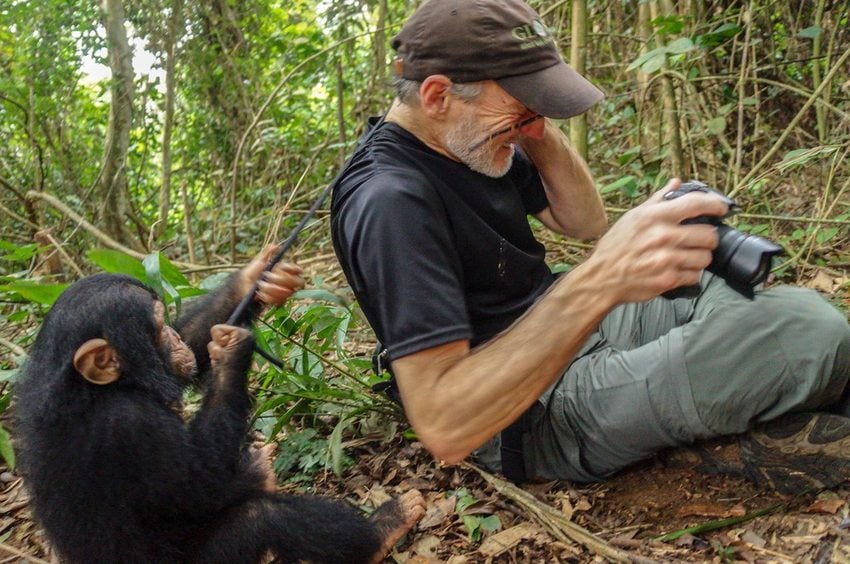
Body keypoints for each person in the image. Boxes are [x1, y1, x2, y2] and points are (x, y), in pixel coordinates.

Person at [330, 0, 850, 494]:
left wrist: (532, 125)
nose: (528, 120)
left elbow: (584, 220)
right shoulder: (390, 201)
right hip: (526, 410)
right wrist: (600, 280)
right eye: (519, 105)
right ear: (438, 96)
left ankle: (733, 396)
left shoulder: (471, 140)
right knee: (803, 331)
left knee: (718, 277)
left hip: (575, 333)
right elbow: (445, 425)